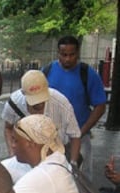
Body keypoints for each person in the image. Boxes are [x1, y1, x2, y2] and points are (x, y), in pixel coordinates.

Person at [44, 35, 107, 179]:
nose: (67, 59)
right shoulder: (47, 72)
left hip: (81, 135)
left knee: (81, 178)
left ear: (77, 53)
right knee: (53, 176)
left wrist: (80, 132)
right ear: (58, 53)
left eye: (71, 55)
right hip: (51, 138)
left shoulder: (88, 74)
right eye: (63, 54)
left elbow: (100, 106)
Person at [2, 70, 81, 164]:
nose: (39, 104)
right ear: (23, 93)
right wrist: (13, 154)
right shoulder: (13, 103)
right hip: (27, 154)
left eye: (41, 98)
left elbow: (75, 135)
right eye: (34, 101)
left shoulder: (61, 103)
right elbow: (8, 128)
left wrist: (73, 163)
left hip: (57, 152)